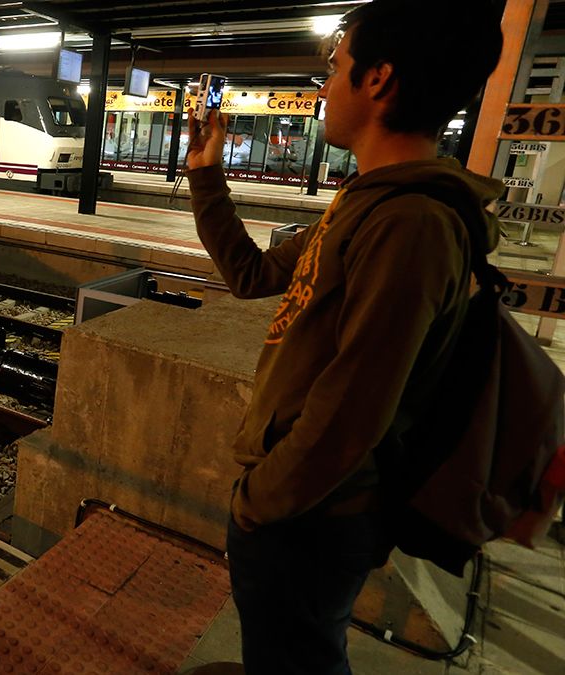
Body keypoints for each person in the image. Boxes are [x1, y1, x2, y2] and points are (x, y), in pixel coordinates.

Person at [184, 1, 504, 672]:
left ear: (379, 80)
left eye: (334, 67)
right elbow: (251, 272)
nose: (323, 86)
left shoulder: (411, 224)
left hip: (313, 519)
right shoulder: (368, 202)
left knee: (301, 660)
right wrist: (207, 172)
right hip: (301, 510)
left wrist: (256, 506)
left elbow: (352, 412)